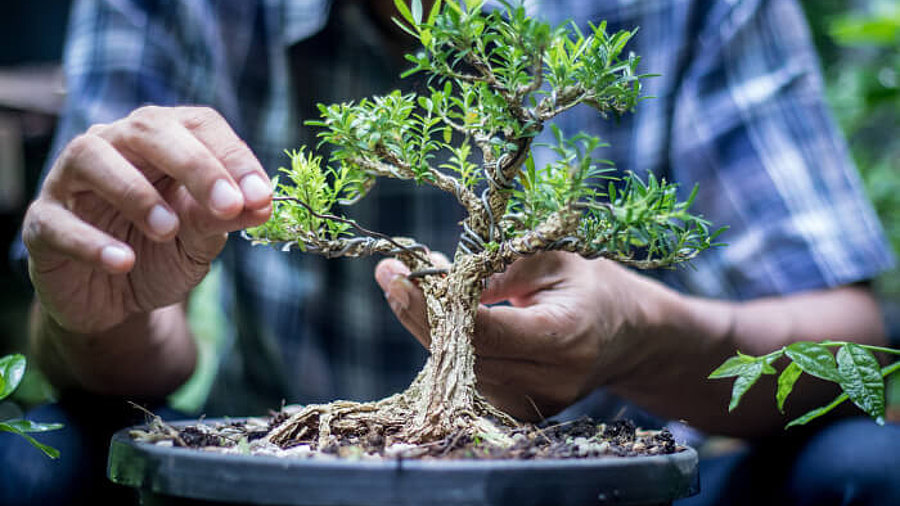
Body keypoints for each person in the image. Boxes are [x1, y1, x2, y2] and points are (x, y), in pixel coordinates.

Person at [2, 0, 898, 505]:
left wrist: (648, 334)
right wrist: (99, 315)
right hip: (278, 476)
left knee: (869, 470)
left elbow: (849, 339)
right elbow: (124, 355)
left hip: (631, 479)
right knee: (28, 463)